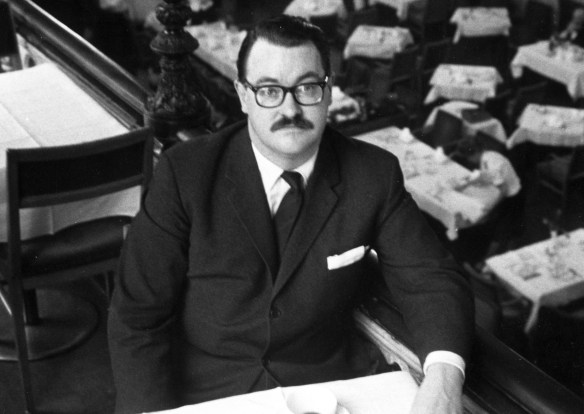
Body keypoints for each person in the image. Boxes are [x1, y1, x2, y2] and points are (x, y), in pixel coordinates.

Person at [108, 15, 474, 414]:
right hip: (210, 393)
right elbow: (137, 318)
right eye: (269, 90)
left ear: (328, 93)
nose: (291, 107)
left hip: (326, 391)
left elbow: (431, 279)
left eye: (307, 88)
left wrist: (443, 379)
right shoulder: (186, 173)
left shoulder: (374, 174)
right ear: (243, 95)